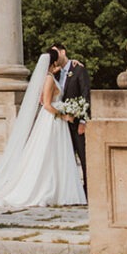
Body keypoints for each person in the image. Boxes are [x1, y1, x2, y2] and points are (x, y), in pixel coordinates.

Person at [0, 46, 86, 209]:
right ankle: (51, 190)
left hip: (55, 122)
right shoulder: (50, 78)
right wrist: (64, 115)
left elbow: (61, 74)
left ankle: (61, 190)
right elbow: (47, 105)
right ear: (54, 61)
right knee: (50, 155)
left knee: (56, 155)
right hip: (53, 119)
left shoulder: (52, 74)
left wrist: (72, 62)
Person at [53, 42, 91, 200]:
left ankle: (88, 190)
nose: (55, 58)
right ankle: (70, 192)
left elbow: (85, 94)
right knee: (65, 159)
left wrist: (83, 120)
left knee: (84, 157)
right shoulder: (54, 74)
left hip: (76, 123)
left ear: (63, 52)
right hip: (61, 124)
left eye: (56, 54)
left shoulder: (78, 69)